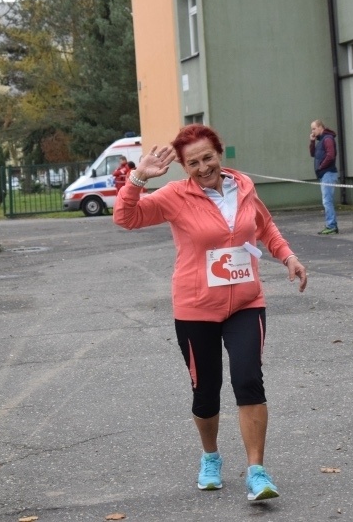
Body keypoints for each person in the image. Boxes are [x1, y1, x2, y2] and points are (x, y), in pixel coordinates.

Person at [113, 124, 308, 501]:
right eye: (193, 163)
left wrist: (288, 256)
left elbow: (265, 227)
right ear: (183, 167)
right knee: (206, 392)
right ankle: (211, 457)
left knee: (249, 380)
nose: (203, 167)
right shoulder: (174, 196)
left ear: (219, 153)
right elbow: (127, 218)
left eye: (207, 157)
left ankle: (257, 472)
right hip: (196, 308)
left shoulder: (244, 186)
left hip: (246, 303)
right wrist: (138, 178)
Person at [309, 120, 339, 235]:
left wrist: (321, 167)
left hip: (328, 173)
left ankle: (331, 225)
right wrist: (312, 142)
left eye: (314, 129)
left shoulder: (327, 139)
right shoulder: (321, 140)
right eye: (312, 129)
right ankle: (331, 224)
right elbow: (313, 154)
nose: (312, 131)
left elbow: (331, 155)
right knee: (326, 200)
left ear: (321, 127)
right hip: (323, 174)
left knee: (327, 201)